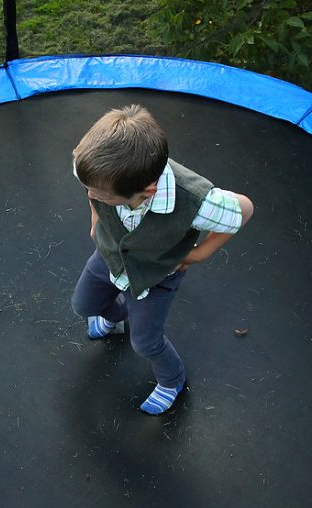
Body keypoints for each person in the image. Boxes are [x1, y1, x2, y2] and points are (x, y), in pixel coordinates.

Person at [70, 105, 254, 415]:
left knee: (145, 342)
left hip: (157, 276)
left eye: (103, 197)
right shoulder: (97, 171)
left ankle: (172, 381)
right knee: (83, 305)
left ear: (146, 192)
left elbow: (244, 209)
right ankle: (116, 317)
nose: (93, 195)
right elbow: (91, 190)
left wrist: (198, 254)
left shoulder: (195, 200)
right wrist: (95, 215)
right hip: (110, 257)